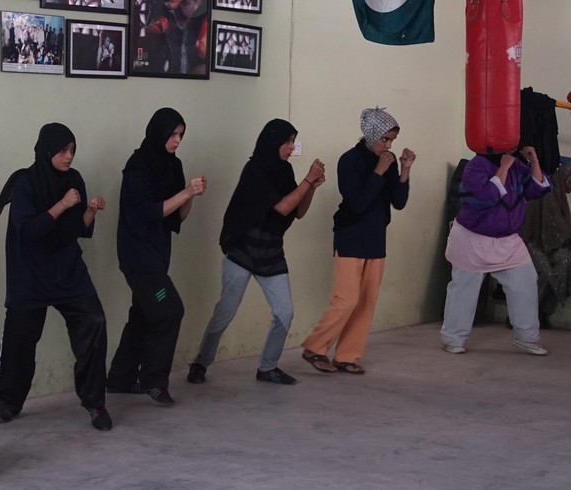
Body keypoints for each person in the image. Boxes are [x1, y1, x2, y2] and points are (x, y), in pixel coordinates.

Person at [187, 119, 325, 386]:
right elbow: (282, 207)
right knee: (225, 311)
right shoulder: (255, 170)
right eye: (286, 141)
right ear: (272, 142)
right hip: (243, 249)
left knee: (285, 312)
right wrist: (307, 179)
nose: (290, 146)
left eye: (293, 141)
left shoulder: (284, 172)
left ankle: (268, 367)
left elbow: (298, 211)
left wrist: (312, 187)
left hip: (271, 251)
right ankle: (200, 362)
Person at [0, 122, 112, 431]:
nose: (69, 156)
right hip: (29, 272)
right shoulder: (25, 183)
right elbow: (29, 229)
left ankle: (95, 402)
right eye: (63, 150)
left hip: (66, 269)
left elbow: (78, 231)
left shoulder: (74, 180)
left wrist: (91, 210)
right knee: (20, 340)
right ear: (47, 150)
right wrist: (62, 204)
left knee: (94, 321)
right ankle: (7, 403)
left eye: (72, 150)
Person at [301, 107, 415, 375]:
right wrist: (378, 171)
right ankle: (315, 348)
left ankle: (347, 356)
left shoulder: (389, 161)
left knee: (366, 301)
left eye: (392, 141)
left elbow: (398, 202)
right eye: (384, 139)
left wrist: (405, 170)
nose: (388, 146)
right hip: (350, 234)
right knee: (347, 298)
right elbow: (358, 203)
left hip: (376, 237)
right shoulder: (349, 161)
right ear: (371, 134)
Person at [107, 107, 206, 405]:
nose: (177, 141)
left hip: (158, 253)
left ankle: (119, 378)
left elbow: (176, 215)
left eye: (181, 135)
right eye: (173, 134)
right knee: (169, 308)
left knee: (143, 314)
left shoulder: (172, 166)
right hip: (138, 257)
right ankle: (153, 380)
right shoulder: (137, 166)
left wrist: (191, 196)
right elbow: (151, 212)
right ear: (158, 132)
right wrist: (187, 193)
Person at [440, 146, 551, 355]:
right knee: (464, 290)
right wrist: (503, 168)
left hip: (508, 242)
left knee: (525, 282)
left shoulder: (517, 165)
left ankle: (527, 338)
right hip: (472, 239)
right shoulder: (476, 166)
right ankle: (453, 338)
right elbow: (484, 198)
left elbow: (538, 189)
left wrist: (534, 161)